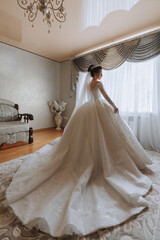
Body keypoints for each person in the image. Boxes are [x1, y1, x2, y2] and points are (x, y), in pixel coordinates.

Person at [4, 65, 152, 237]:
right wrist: (114, 106)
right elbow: (105, 96)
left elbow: (91, 97)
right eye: (101, 73)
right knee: (106, 136)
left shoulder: (89, 83)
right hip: (99, 108)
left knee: (88, 137)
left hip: (88, 109)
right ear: (97, 74)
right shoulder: (98, 84)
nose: (102, 75)